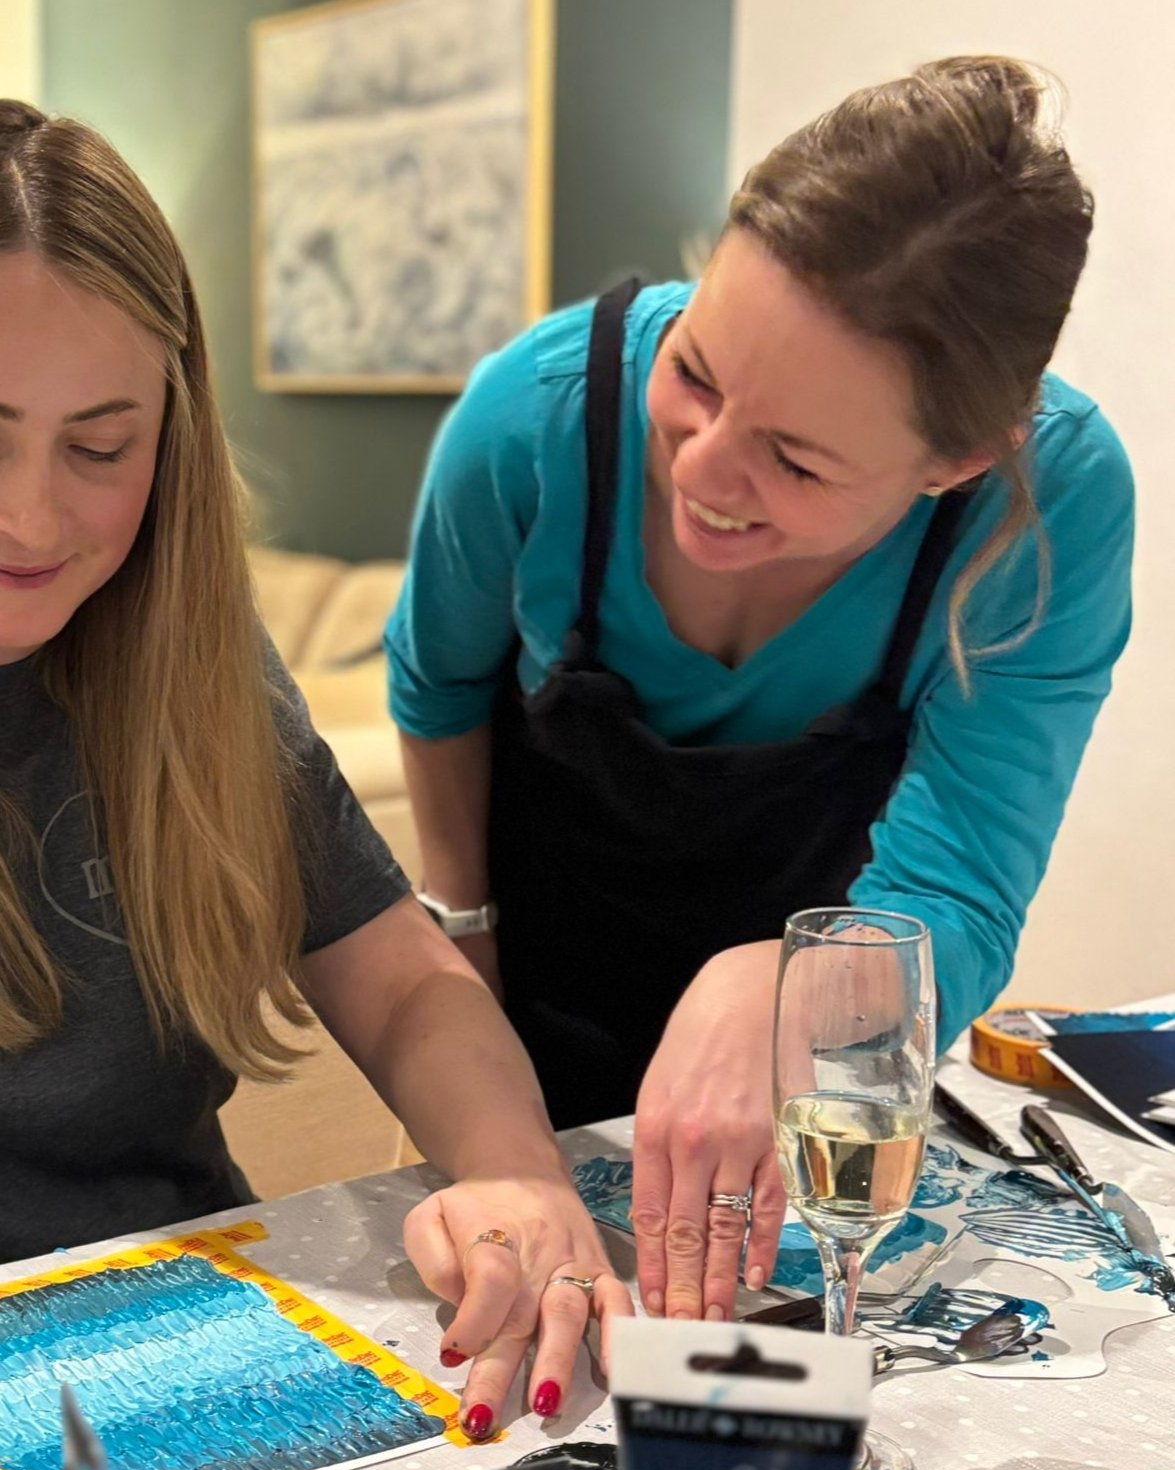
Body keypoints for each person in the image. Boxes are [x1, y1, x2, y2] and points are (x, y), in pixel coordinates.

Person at [386, 58, 1134, 1324]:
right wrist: (465, 979)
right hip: (531, 1013)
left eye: (792, 459)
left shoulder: (1047, 508)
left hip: (820, 1088)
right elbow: (437, 690)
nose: (702, 471)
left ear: (958, 462)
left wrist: (801, 990)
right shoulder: (533, 417)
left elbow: (958, 889)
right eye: (693, 372)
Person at [0, 100, 630, 1441]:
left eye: (101, 447)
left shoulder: (186, 659)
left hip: (194, 1357)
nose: (32, 517)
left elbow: (399, 978)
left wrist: (513, 1176)